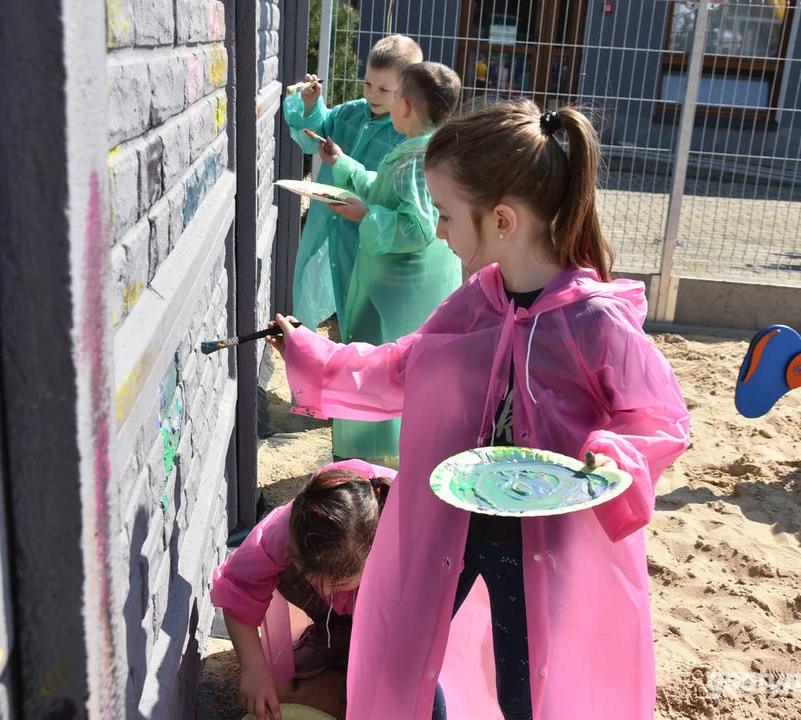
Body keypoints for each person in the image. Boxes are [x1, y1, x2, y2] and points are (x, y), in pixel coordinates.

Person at [266, 100, 691, 719]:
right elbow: (401, 366)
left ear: (501, 220)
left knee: (528, 686)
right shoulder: (475, 302)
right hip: (452, 529)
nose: (438, 229)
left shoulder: (593, 322)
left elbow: (660, 420)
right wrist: (311, 350)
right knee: (408, 653)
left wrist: (614, 454)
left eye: (444, 213)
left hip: (543, 548)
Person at [318, 62, 463, 466]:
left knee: (376, 374)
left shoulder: (417, 157)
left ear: (406, 105)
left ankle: (368, 470)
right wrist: (344, 165)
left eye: (396, 95)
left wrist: (365, 215)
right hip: (408, 293)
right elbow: (387, 195)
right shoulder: (426, 149)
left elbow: (418, 227)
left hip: (394, 299)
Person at [210, 460, 394, 720]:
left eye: (337, 584)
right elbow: (238, 589)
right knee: (291, 576)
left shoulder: (397, 541)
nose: (324, 590)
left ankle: (363, 642)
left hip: (385, 605)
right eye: (313, 577)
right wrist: (254, 669)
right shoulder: (283, 531)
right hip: (351, 579)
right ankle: (334, 632)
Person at [282, 35, 423, 339]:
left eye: (385, 89)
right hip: (325, 225)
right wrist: (311, 105)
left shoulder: (404, 135)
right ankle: (306, 373)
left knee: (360, 314)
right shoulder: (350, 113)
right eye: (368, 84)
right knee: (307, 292)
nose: (373, 94)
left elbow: (392, 192)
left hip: (366, 237)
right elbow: (311, 137)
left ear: (407, 92)